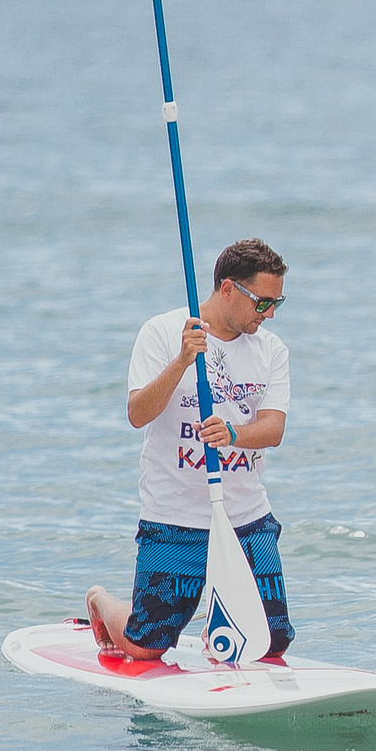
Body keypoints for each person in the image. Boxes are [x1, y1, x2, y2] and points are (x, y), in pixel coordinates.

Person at [85, 238, 295, 665]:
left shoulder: (271, 350)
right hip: (175, 515)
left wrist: (233, 433)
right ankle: (103, 603)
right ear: (229, 289)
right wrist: (182, 361)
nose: (270, 313)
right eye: (263, 302)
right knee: (147, 646)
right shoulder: (162, 333)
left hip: (245, 516)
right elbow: (137, 413)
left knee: (271, 641)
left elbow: (273, 429)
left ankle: (221, 621)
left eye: (277, 302)